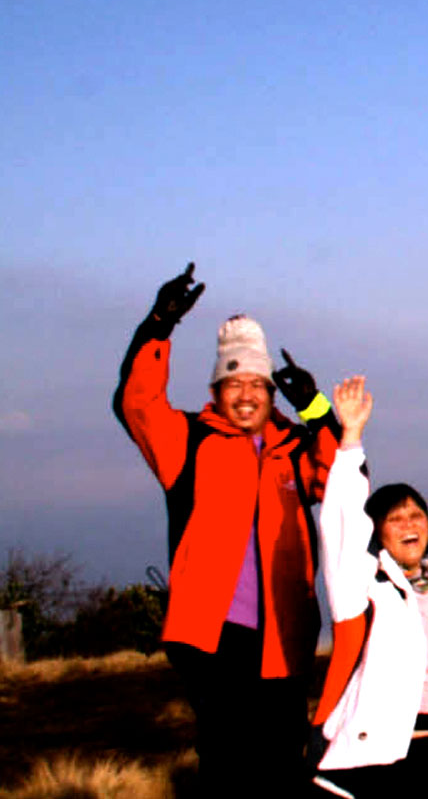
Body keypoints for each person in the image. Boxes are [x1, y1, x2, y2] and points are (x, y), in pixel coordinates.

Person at [113, 263, 341, 797]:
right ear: (217, 389)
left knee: (285, 757)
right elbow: (136, 404)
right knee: (227, 760)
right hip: (213, 635)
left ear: (271, 392)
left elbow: (343, 477)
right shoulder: (187, 441)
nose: (245, 394)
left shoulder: (293, 447)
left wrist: (315, 407)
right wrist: (158, 325)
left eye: (256, 384)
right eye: (232, 382)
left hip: (285, 632)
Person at [310, 377, 428, 798]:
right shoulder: (363, 584)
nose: (409, 524)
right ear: (377, 532)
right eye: (395, 519)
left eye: (417, 515)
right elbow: (342, 524)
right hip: (381, 761)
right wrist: (351, 439)